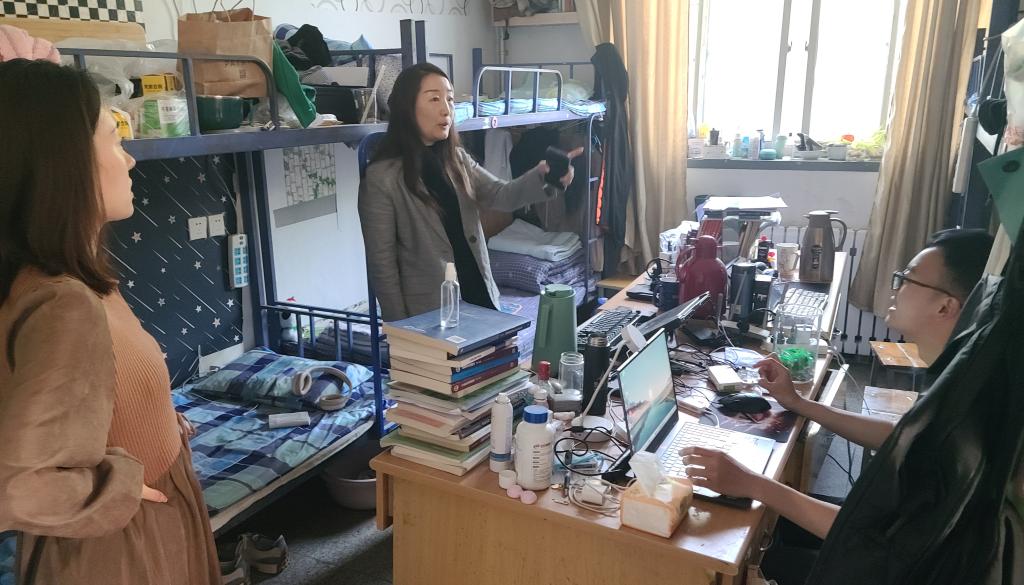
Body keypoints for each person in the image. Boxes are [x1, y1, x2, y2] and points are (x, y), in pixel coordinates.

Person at [0, 59, 220, 584]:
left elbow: (87, 396)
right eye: (114, 140)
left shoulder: (62, 278)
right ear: (64, 164)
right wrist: (116, 486)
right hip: (121, 545)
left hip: (138, 518)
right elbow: (20, 486)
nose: (130, 159)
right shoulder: (63, 303)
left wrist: (157, 417)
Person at [681, 228, 993, 583]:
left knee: (735, 548)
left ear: (945, 306)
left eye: (907, 278)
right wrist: (798, 403)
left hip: (884, 565)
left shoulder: (968, 420)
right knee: (771, 520)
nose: (895, 287)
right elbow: (903, 434)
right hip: (884, 530)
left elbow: (878, 547)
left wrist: (755, 484)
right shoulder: (963, 376)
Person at [359, 62, 583, 322]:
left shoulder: (456, 159)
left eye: (450, 99)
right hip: (429, 312)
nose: (446, 109)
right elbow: (382, 264)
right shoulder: (382, 178)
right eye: (434, 99)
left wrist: (545, 176)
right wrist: (401, 328)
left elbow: (502, 195)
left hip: (479, 295)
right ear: (407, 108)